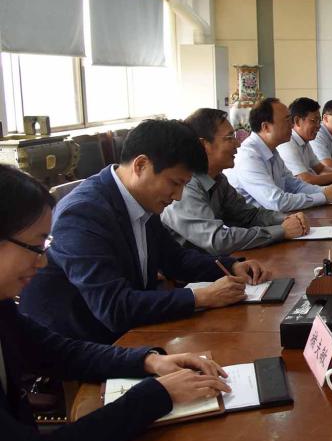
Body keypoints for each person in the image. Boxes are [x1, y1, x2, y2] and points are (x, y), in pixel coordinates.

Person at [0, 165, 233, 441]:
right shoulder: (84, 211)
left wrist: (149, 361)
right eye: (37, 246)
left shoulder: (2, 304)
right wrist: (157, 395)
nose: (43, 261)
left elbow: (58, 351)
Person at [19, 120, 270, 344]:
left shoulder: (139, 200)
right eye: (174, 183)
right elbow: (114, 307)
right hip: (82, 344)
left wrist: (230, 266)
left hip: (128, 332)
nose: (178, 196)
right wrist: (200, 297)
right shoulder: (83, 213)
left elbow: (175, 259)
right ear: (141, 165)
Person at [161, 108, 311, 255]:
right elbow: (218, 240)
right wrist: (281, 231)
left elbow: (249, 216)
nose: (238, 144)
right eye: (229, 138)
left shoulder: (219, 180)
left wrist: (287, 219)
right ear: (203, 145)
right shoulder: (185, 186)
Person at [225, 98, 332, 212]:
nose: (292, 125)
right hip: (256, 223)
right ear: (266, 127)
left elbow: (295, 186)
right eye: (286, 120)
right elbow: (276, 202)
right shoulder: (249, 157)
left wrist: (324, 190)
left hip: (274, 218)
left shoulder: (272, 150)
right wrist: (323, 197)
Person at [278, 97, 332, 185]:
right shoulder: (287, 144)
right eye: (314, 121)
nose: (318, 126)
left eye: (319, 121)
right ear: (297, 121)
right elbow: (306, 180)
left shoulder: (304, 141)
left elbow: (321, 169)